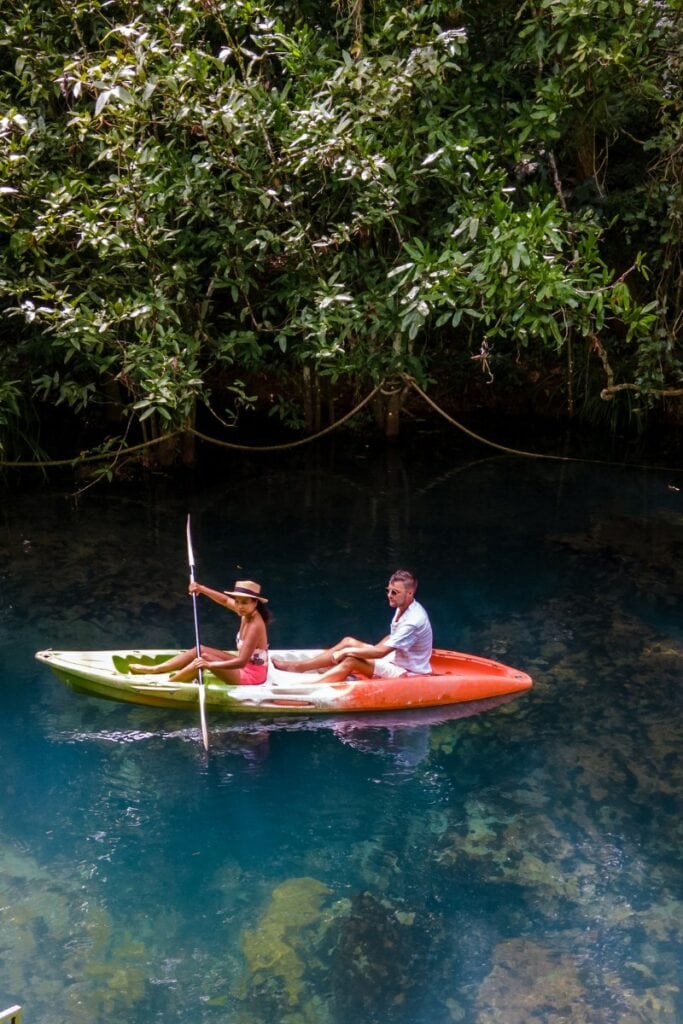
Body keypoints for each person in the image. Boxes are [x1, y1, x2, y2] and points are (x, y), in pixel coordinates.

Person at [272, 569, 432, 683]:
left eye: (394, 592)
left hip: (408, 673)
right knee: (348, 641)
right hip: (394, 660)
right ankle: (300, 667)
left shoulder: (413, 620)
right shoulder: (403, 606)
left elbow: (380, 652)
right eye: (388, 590)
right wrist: (359, 650)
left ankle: (308, 687)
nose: (389, 595)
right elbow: (392, 637)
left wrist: (349, 652)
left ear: (410, 593)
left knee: (351, 659)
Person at [129, 580, 271, 684]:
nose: (239, 606)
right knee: (200, 649)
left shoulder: (255, 626)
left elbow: (240, 662)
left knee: (205, 657)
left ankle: (171, 683)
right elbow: (224, 600)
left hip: (251, 675)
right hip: (244, 666)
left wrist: (210, 665)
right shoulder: (245, 612)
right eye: (238, 601)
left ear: (255, 603)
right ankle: (157, 669)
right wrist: (201, 588)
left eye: (244, 602)